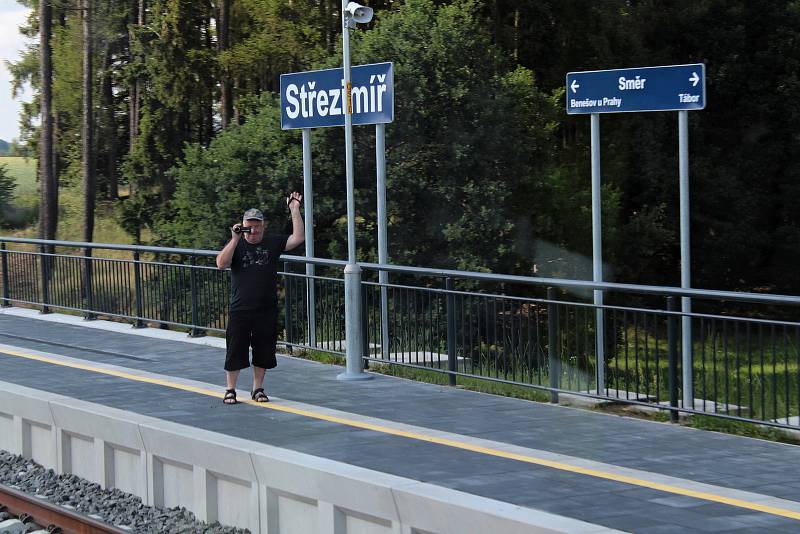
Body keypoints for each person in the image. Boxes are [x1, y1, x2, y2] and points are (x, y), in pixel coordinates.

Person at [215, 192, 305, 404]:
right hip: (241, 308)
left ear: (263, 226)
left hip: (266, 308)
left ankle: (258, 389)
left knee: (263, 350)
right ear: (242, 226)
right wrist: (235, 239)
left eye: (256, 226)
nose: (253, 231)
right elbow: (221, 263)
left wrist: (295, 210)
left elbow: (298, 238)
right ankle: (230, 389)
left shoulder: (272, 242)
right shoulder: (236, 244)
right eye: (249, 226)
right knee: (235, 349)